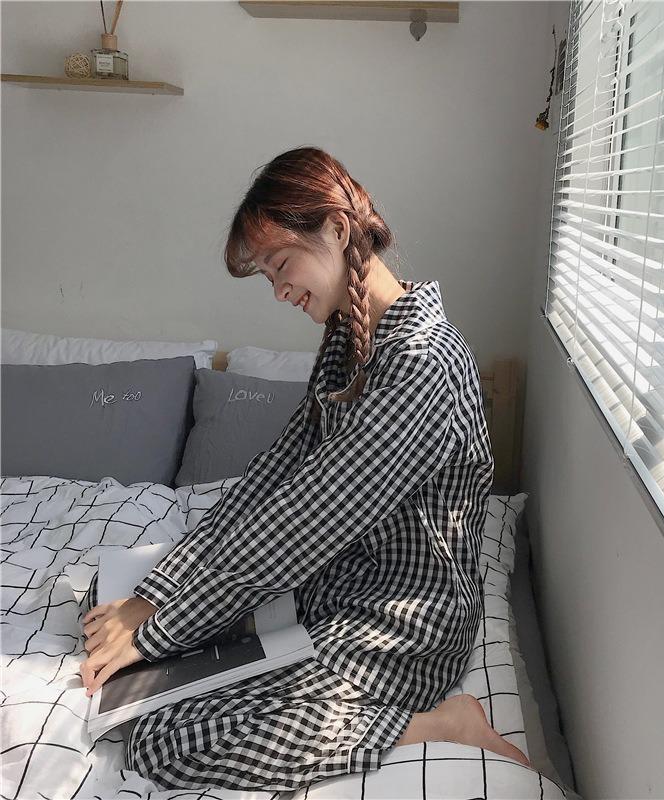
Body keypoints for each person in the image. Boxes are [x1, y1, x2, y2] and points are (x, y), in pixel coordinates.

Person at [79, 146, 530, 791]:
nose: (280, 291)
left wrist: (159, 630)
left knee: (166, 743)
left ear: (338, 230)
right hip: (337, 587)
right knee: (125, 646)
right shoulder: (349, 337)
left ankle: (439, 723)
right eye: (268, 277)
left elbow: (305, 522)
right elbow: (277, 475)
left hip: (403, 625)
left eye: (282, 265)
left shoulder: (423, 364)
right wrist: (158, 592)